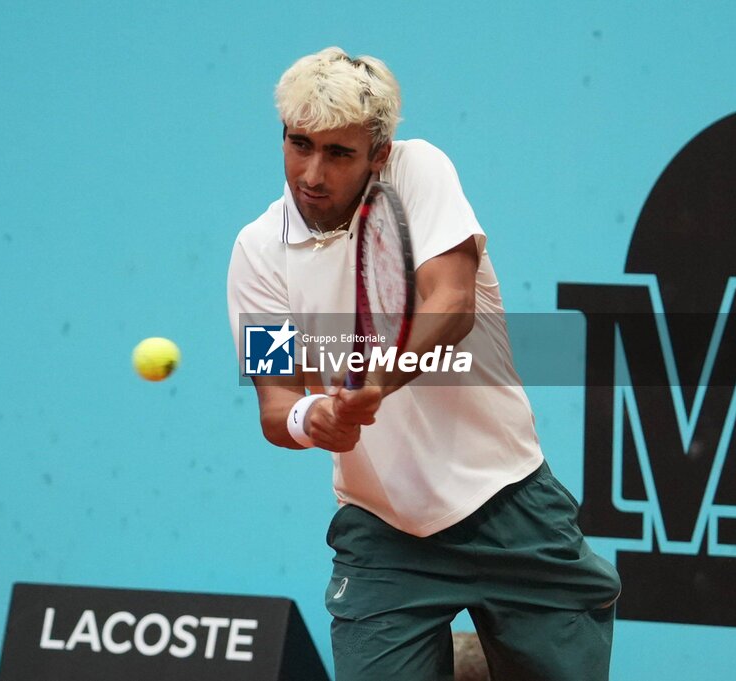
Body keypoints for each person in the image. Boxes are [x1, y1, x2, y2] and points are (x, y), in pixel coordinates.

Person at [227, 47, 620, 681]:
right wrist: (315, 416)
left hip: (510, 502)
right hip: (382, 531)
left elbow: (452, 304)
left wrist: (373, 381)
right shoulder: (256, 252)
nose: (312, 174)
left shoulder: (419, 172)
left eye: (339, 153)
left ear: (379, 154)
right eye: (299, 144)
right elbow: (277, 405)